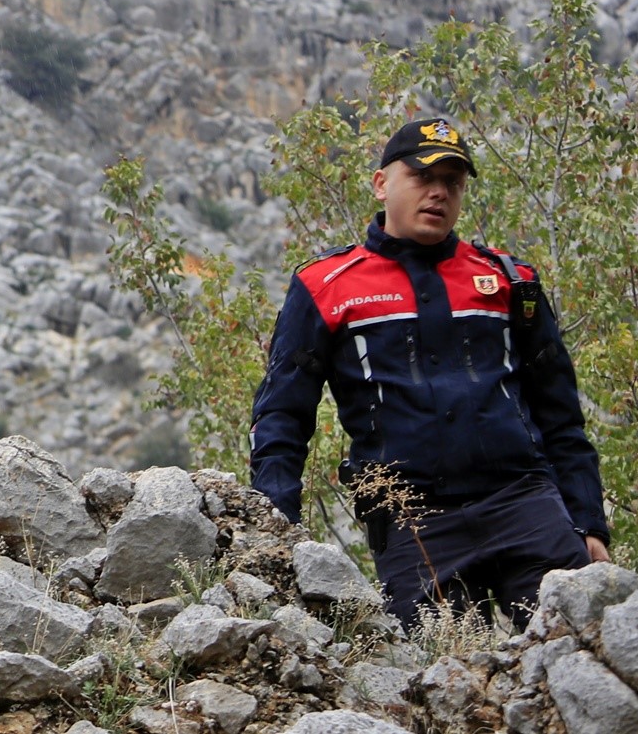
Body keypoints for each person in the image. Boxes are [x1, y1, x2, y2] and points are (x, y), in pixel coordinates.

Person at [250, 116, 609, 628]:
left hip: (526, 506)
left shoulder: (511, 281)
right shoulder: (325, 286)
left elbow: (561, 415)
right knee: (440, 672)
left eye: (453, 182)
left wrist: (589, 521)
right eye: (423, 177)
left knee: (578, 645)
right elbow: (282, 416)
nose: (439, 192)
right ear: (381, 184)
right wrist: (276, 530)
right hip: (412, 522)